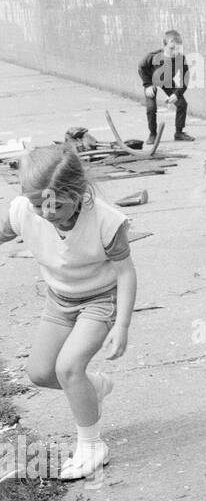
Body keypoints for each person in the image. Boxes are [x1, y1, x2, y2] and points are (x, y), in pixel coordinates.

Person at [0, 145, 137, 480]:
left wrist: (122, 324)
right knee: (41, 373)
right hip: (59, 300)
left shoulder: (106, 220)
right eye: (37, 204)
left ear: (79, 192)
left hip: (100, 300)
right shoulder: (23, 211)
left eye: (56, 204)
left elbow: (126, 273)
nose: (46, 212)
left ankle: (92, 446)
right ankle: (94, 388)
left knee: (68, 367)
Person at [137, 29, 193, 144]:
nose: (175, 52)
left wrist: (177, 94)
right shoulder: (152, 57)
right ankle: (153, 134)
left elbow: (185, 79)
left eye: (178, 48)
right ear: (164, 45)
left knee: (182, 104)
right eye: (171, 48)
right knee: (151, 108)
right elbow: (141, 68)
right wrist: (147, 85)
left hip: (167, 81)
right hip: (152, 81)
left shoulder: (181, 59)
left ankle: (179, 133)